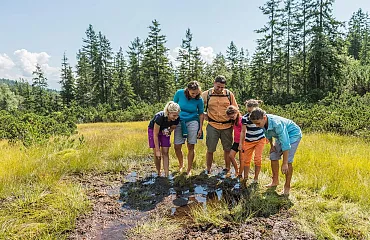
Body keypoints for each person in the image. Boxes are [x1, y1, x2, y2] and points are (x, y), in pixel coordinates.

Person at [249, 108, 302, 195]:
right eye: (255, 124)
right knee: (273, 155)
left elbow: (286, 144)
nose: (257, 126)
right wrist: (272, 145)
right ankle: (275, 181)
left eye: (258, 123)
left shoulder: (277, 124)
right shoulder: (261, 124)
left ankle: (287, 187)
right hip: (280, 136)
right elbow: (267, 134)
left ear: (264, 118)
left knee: (288, 161)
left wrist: (284, 163)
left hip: (293, 134)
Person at [201, 75, 238, 174]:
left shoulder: (229, 94)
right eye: (218, 87)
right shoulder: (207, 94)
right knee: (210, 149)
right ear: (214, 83)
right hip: (213, 125)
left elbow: (236, 109)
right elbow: (197, 105)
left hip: (227, 126)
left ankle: (227, 169)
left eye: (222, 87)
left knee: (227, 149)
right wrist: (203, 114)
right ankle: (208, 169)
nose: (220, 89)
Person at [173, 81, 204, 176]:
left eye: (197, 93)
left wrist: (200, 128)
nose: (195, 95)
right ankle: (181, 165)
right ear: (188, 90)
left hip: (193, 121)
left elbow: (201, 114)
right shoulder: (179, 93)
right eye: (192, 93)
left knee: (191, 146)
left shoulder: (199, 100)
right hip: (179, 120)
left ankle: (189, 169)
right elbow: (172, 107)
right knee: (177, 146)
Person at [148, 101, 181, 177]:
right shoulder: (159, 117)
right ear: (168, 112)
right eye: (174, 115)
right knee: (157, 155)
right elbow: (155, 135)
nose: (176, 117)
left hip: (164, 130)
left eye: (177, 115)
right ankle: (158, 172)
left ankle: (166, 173)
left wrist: (168, 131)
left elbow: (173, 127)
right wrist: (157, 150)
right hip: (154, 131)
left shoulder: (177, 118)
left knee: (165, 152)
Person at [238, 100, 266, 182]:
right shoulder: (245, 118)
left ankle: (256, 178)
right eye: (248, 111)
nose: (250, 113)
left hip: (260, 139)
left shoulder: (262, 115)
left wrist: (268, 137)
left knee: (257, 158)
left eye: (252, 111)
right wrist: (240, 143)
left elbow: (266, 126)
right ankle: (246, 177)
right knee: (246, 160)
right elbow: (243, 131)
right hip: (249, 140)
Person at [225, 105, 241, 176]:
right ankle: (236, 170)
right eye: (230, 117)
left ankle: (240, 173)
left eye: (232, 116)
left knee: (242, 159)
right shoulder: (233, 121)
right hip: (236, 142)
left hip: (242, 142)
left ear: (237, 112)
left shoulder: (241, 120)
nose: (231, 118)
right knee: (231, 155)